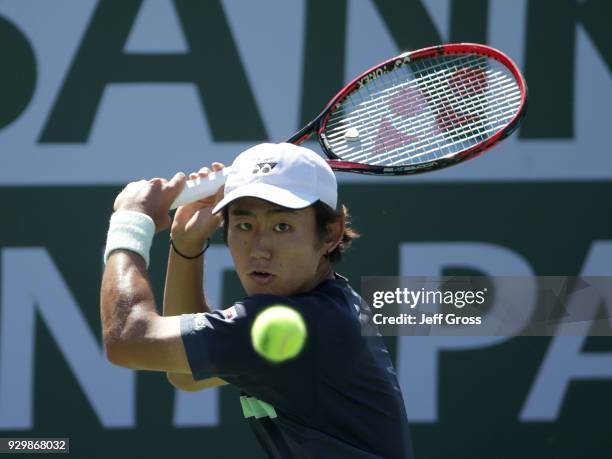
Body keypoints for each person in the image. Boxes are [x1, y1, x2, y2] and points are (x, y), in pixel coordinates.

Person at [100, 143, 414, 458]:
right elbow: (186, 375)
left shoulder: (303, 323)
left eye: (282, 227)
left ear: (330, 234)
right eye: (244, 226)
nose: (259, 249)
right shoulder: (332, 306)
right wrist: (186, 243)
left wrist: (130, 222)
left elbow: (127, 337)